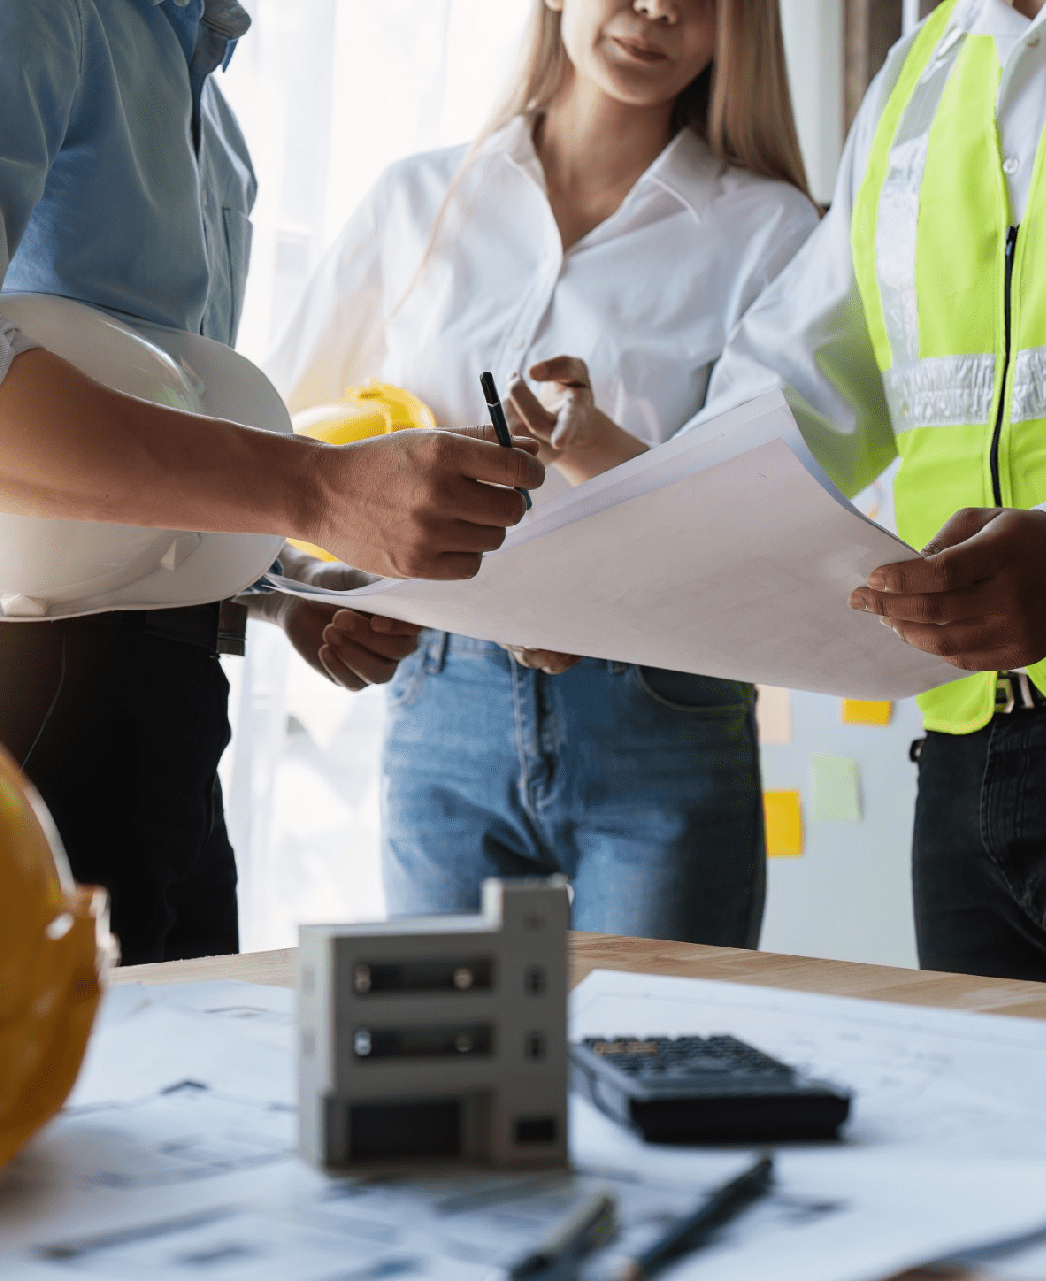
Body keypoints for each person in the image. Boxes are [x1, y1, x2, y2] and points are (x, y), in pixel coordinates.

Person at [509, 0, 1046, 1009]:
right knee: (994, 1161)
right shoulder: (925, 64)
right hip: (969, 755)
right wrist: (610, 571)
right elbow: (792, 391)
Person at [0, 0, 544, 965]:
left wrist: (276, 586)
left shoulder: (209, 102)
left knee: (171, 1103)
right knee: (25, 1106)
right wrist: (312, 491)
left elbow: (149, 423)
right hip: (2, 695)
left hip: (171, 712)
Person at [261, 0, 820, 945]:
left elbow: (762, 521)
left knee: (653, 1058)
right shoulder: (415, 202)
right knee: (447, 1062)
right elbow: (283, 454)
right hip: (440, 692)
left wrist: (594, 443)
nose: (658, 11)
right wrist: (304, 593)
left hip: (661, 699)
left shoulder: (769, 230)